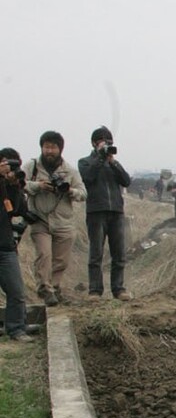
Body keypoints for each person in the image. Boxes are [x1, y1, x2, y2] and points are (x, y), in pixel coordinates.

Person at [23, 131, 87, 306]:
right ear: (41, 147)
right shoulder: (32, 166)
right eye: (46, 147)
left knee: (61, 260)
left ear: (60, 149)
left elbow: (83, 193)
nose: (49, 151)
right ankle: (45, 288)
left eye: (53, 147)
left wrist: (69, 191)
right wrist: (38, 186)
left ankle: (55, 287)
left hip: (63, 221)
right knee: (44, 254)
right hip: (39, 218)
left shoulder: (70, 170)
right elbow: (20, 184)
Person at [78, 126, 131, 300]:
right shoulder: (85, 162)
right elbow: (88, 178)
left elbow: (126, 180)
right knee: (96, 253)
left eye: (109, 142)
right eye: (103, 141)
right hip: (96, 211)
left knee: (119, 253)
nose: (107, 144)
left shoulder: (113, 163)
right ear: (94, 143)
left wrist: (112, 162)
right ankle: (95, 290)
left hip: (116, 210)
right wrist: (100, 158)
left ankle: (119, 288)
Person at [0, 148, 31, 341]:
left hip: (5, 245)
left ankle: (17, 328)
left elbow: (17, 209)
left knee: (16, 291)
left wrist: (14, 186)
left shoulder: (8, 185)